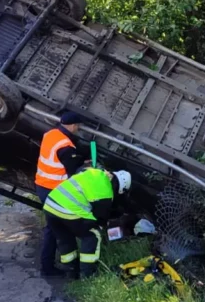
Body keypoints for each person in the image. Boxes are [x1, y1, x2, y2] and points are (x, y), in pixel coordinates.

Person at [43, 167, 132, 278]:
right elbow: (99, 218)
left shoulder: (96, 172)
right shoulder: (106, 193)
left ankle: (71, 271)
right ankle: (88, 274)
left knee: (65, 238)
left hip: (51, 205)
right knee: (93, 234)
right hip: (68, 210)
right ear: (121, 188)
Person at [34, 111, 86, 275]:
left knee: (54, 226)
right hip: (53, 190)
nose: (78, 129)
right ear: (72, 125)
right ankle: (50, 267)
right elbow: (73, 171)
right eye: (78, 126)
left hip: (42, 186)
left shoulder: (51, 134)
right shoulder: (65, 145)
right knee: (56, 227)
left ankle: (51, 264)